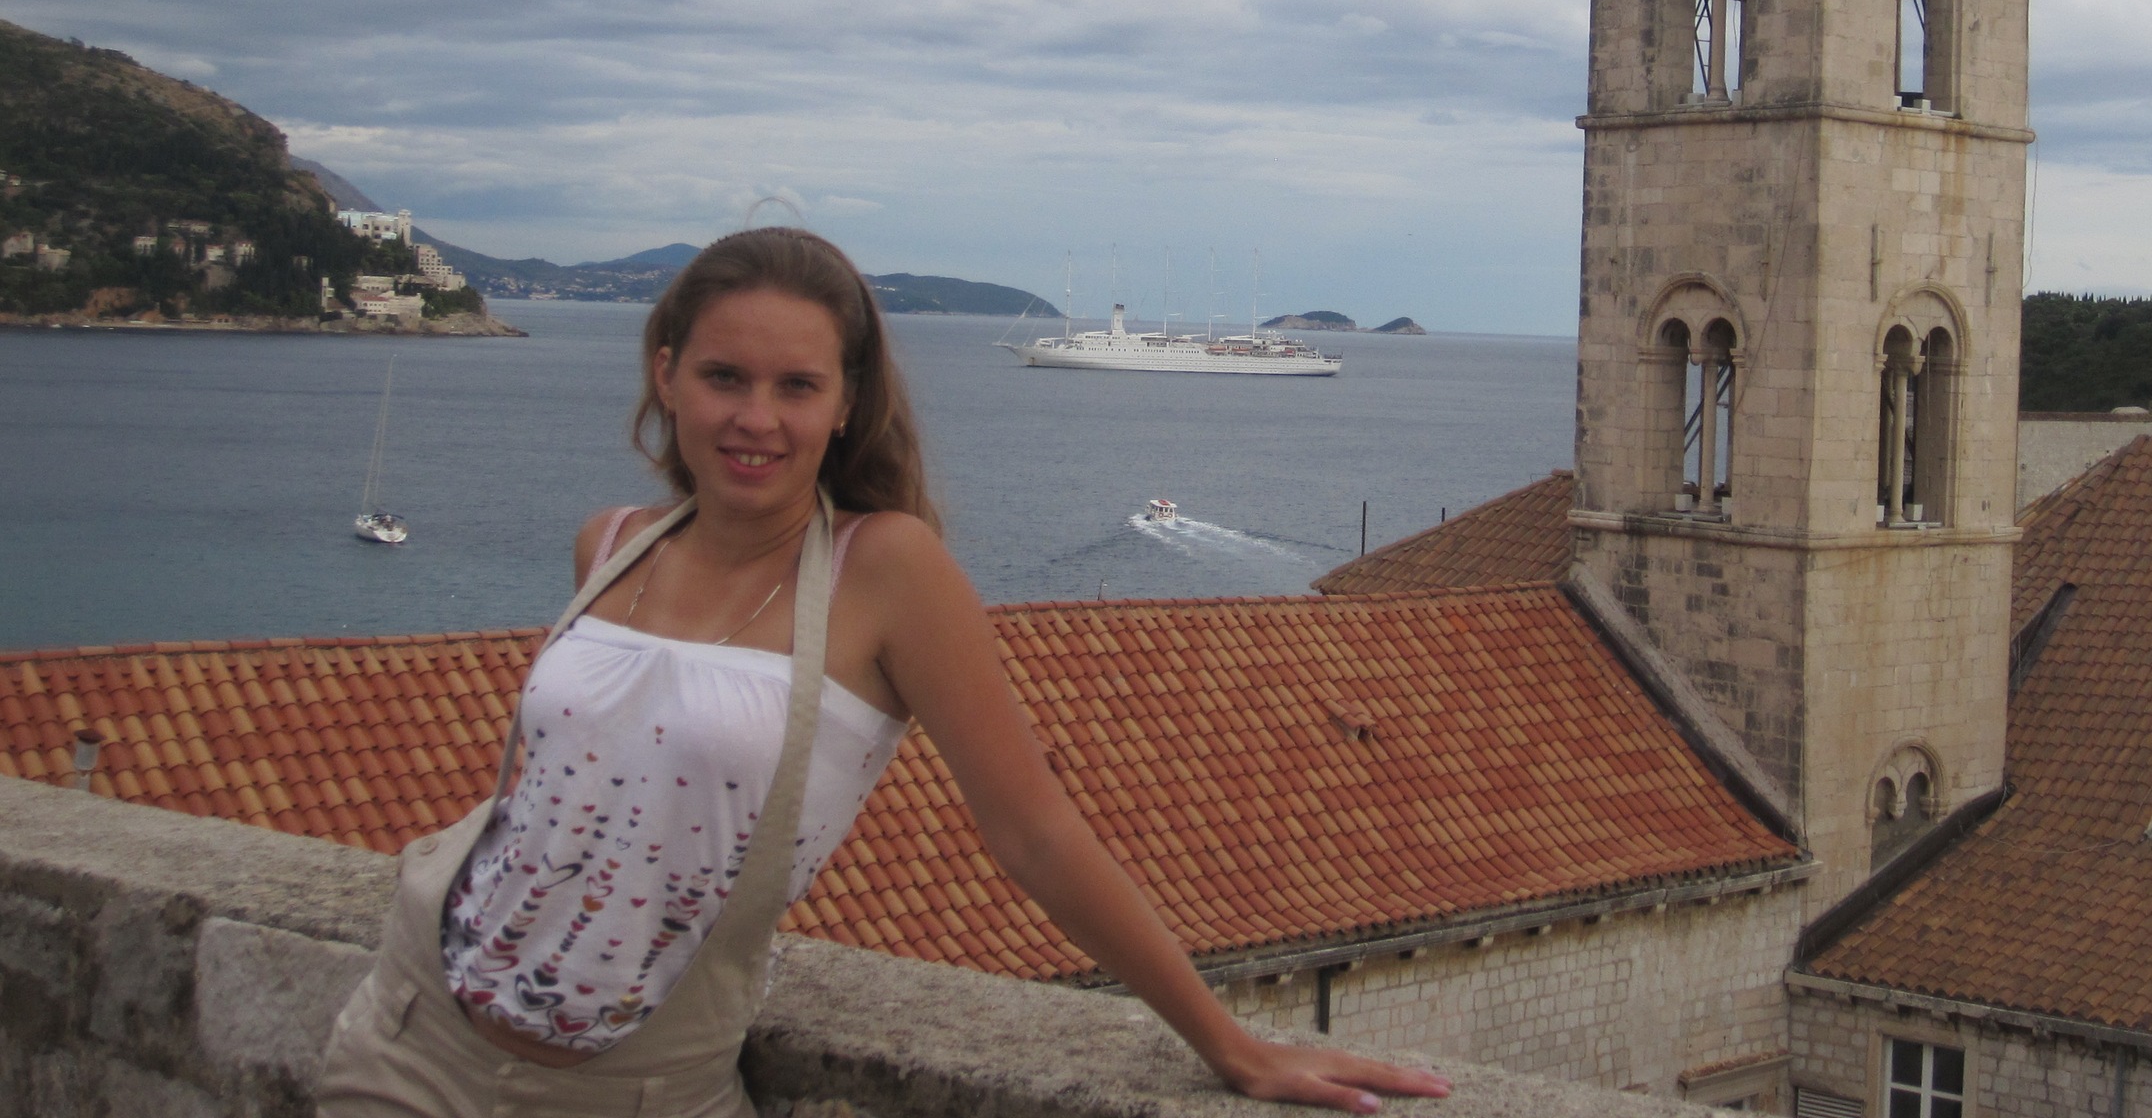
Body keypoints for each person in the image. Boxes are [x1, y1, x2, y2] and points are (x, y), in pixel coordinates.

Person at [317, 226, 1451, 1117]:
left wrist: (1229, 1044)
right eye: (723, 376)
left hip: (639, 1089)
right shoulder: (608, 543)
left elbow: (1033, 833)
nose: (755, 418)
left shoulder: (889, 570)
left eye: (796, 386)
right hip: (411, 1040)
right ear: (666, 375)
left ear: (846, 402)